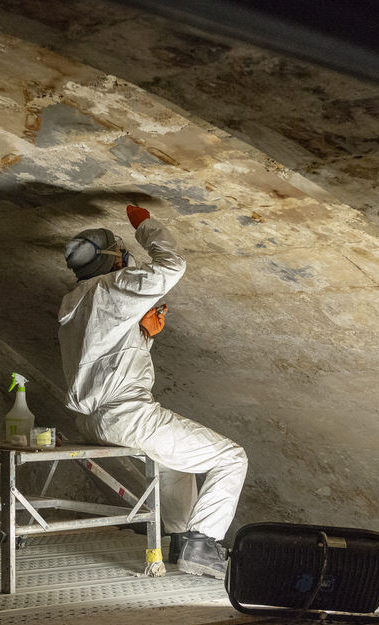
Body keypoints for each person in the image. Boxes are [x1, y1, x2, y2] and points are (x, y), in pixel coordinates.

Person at [58, 204, 248, 578]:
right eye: (122, 251)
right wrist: (146, 226)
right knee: (232, 458)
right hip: (129, 415)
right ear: (115, 258)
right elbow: (171, 266)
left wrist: (143, 335)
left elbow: (104, 356)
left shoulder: (73, 300)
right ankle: (203, 542)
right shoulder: (112, 286)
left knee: (176, 463)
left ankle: (179, 541)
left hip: (98, 419)